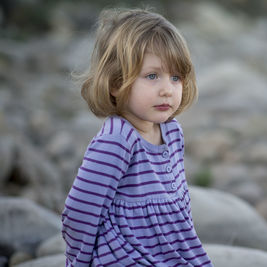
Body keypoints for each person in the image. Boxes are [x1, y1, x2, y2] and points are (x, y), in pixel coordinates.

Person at [61, 8, 213, 267]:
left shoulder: (172, 132)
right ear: (116, 83)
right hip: (124, 256)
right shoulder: (117, 140)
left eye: (176, 77)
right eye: (152, 76)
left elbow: (179, 203)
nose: (167, 90)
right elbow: (80, 212)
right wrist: (79, 262)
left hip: (168, 252)